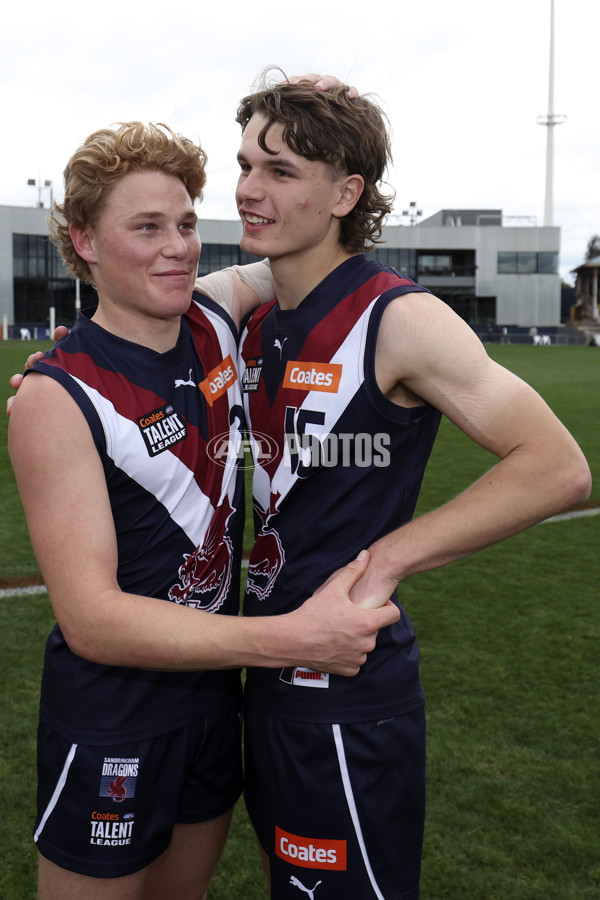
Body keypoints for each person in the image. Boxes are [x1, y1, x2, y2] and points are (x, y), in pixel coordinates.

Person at [7, 119, 399, 900]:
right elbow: (92, 619)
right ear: (84, 240)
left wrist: (327, 103)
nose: (178, 246)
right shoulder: (56, 394)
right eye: (146, 227)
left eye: (186, 223)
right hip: (112, 720)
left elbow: (302, 244)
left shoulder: (214, 318)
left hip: (214, 707)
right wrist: (288, 639)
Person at [232, 73, 592, 899]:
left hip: (348, 688)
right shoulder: (259, 314)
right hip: (266, 668)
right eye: (246, 163)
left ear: (345, 192)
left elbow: (557, 465)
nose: (250, 188)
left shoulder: (397, 317)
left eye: (281, 171)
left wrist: (388, 561)